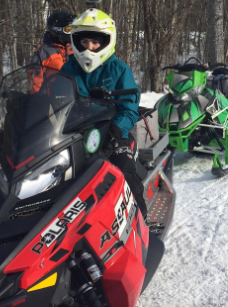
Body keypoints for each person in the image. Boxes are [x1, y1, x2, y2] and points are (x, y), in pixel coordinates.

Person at [60, 8, 148, 221]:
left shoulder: (118, 69)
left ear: (106, 41)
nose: (89, 48)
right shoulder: (68, 69)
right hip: (75, 132)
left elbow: (129, 107)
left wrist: (115, 130)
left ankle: (141, 219)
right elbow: (53, 98)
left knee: (123, 166)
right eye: (84, 42)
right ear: (76, 40)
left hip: (113, 131)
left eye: (95, 42)